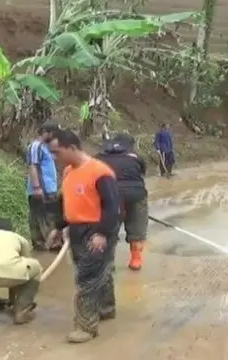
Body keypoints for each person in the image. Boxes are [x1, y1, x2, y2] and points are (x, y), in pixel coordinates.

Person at [47, 130, 120, 343]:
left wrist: (102, 233)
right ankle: (106, 308)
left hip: (96, 229)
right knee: (100, 271)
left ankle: (86, 326)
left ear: (71, 148)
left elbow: (112, 207)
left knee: (86, 278)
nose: (55, 158)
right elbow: (66, 203)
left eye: (57, 152)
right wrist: (58, 227)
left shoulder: (100, 172)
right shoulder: (68, 171)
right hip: (77, 229)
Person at [95, 133, 149, 271]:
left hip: (111, 195)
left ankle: (108, 262)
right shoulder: (136, 157)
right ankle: (136, 259)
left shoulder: (100, 156)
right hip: (136, 195)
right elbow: (141, 174)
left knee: (109, 226)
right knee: (137, 224)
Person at [26, 122, 60, 251]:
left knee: (48, 216)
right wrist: (37, 187)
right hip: (41, 189)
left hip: (49, 188)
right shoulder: (36, 146)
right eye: (53, 134)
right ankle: (45, 244)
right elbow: (33, 166)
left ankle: (47, 244)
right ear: (46, 132)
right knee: (41, 217)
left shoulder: (46, 147)